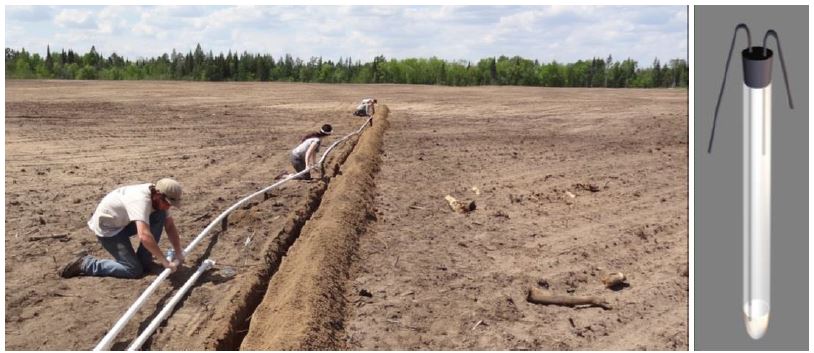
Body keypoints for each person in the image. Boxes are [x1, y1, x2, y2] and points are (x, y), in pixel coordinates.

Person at [59, 178, 185, 279]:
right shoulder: (140, 200)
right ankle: (86, 263)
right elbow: (144, 235)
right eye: (167, 203)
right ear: (158, 195)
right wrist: (164, 261)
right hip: (109, 228)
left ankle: (144, 260)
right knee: (133, 270)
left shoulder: (158, 199)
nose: (168, 207)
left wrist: (178, 252)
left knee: (160, 215)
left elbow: (169, 226)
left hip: (124, 221)